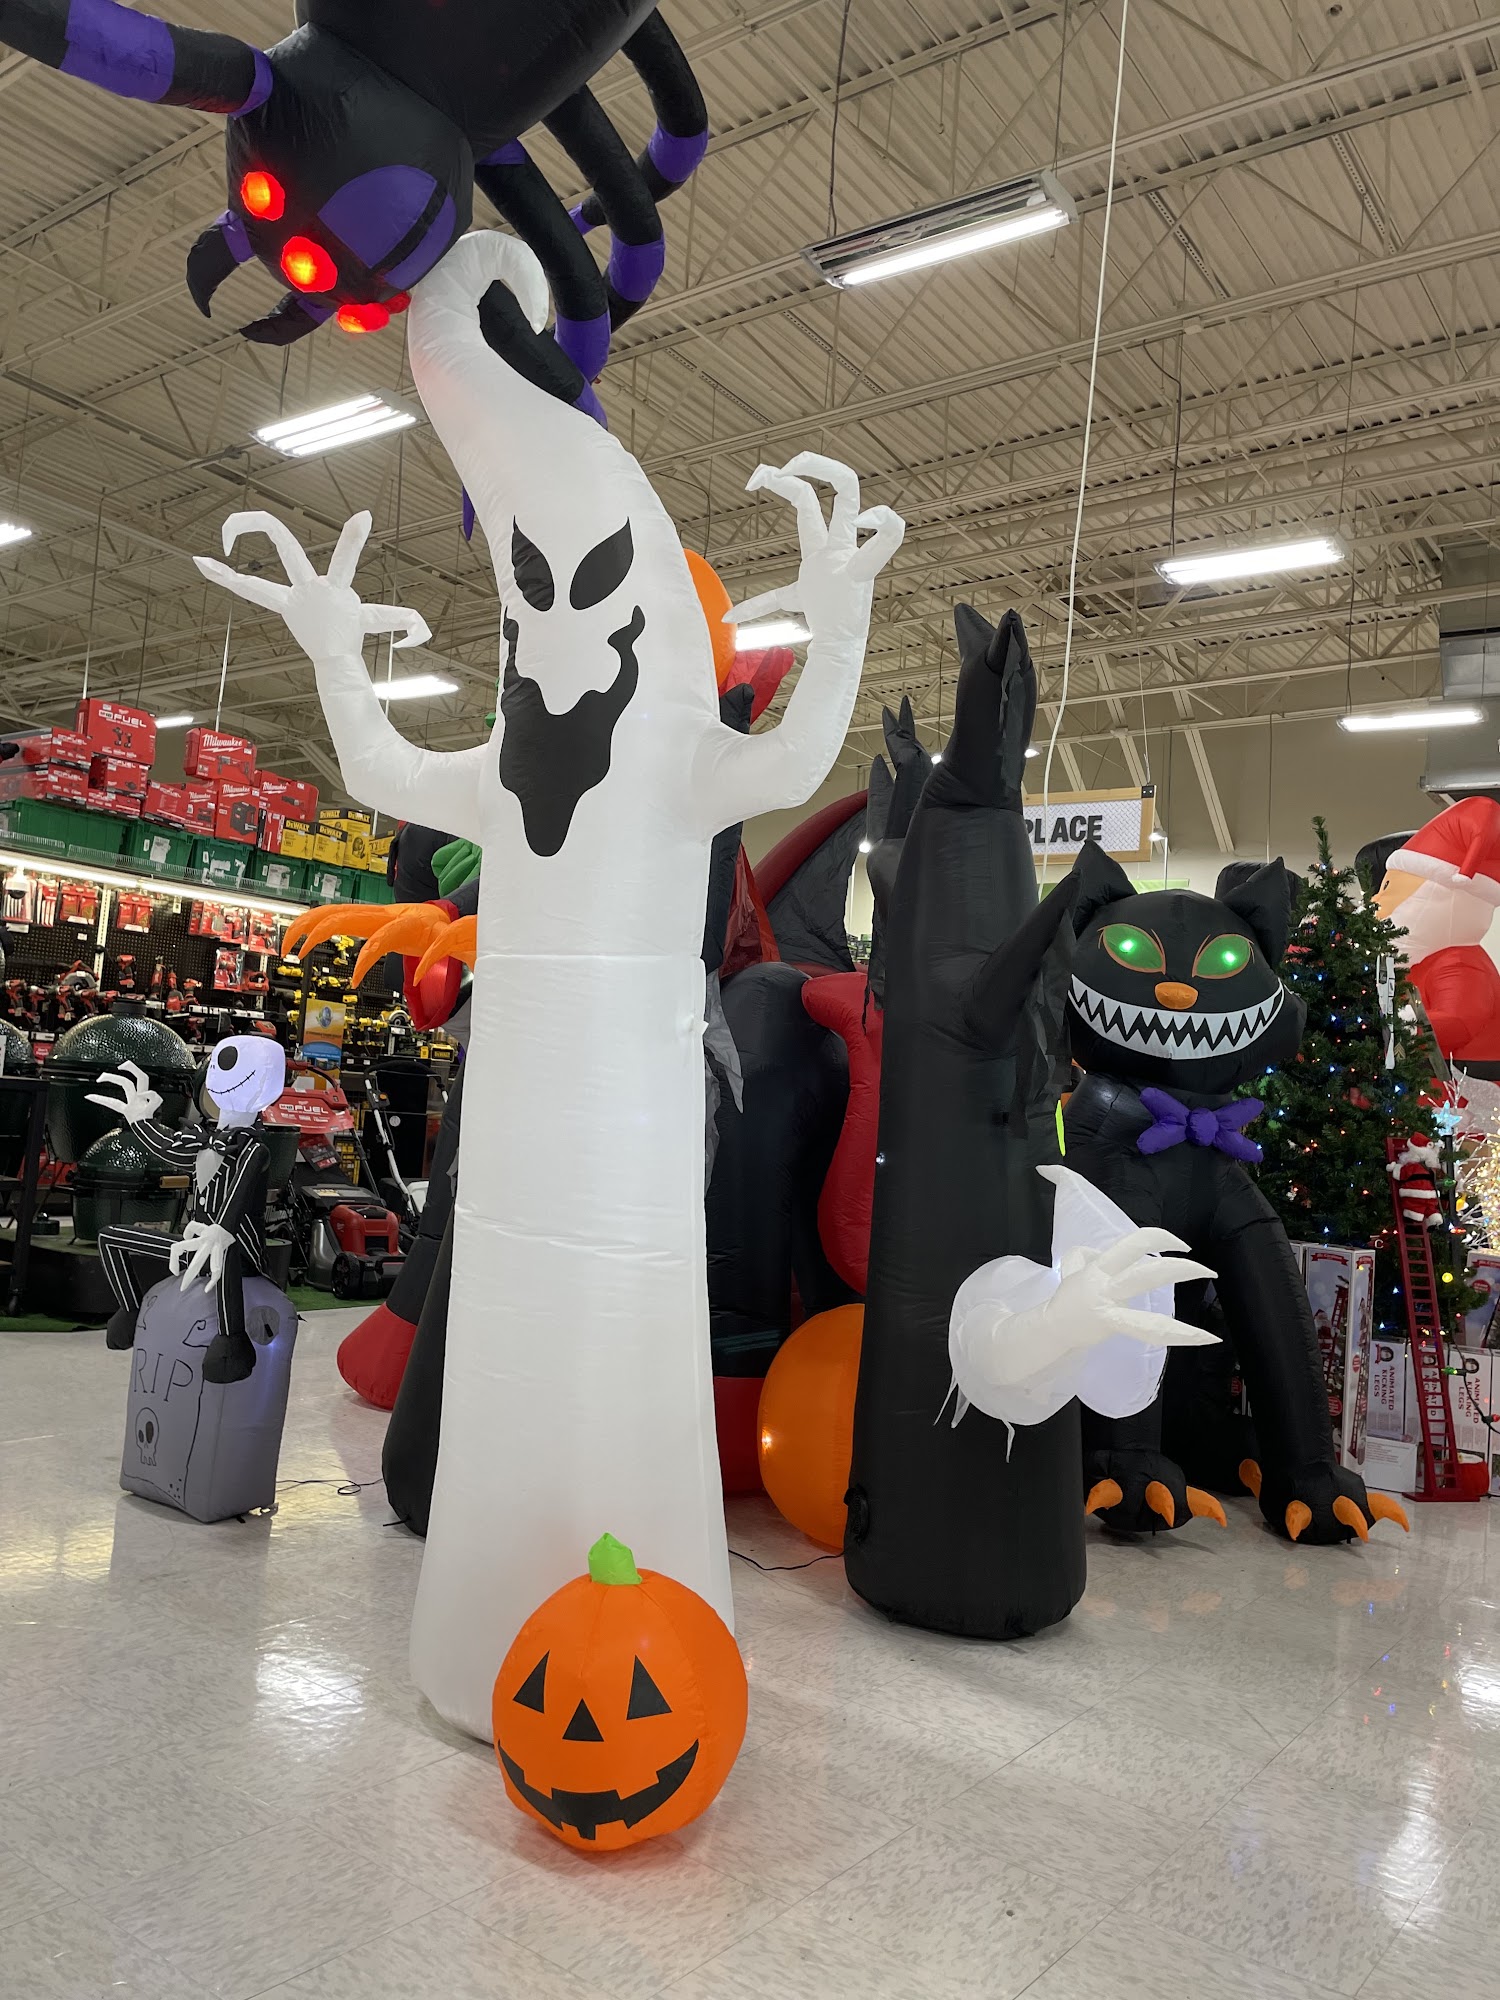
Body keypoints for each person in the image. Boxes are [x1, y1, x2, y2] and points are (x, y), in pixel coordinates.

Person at [90, 1038, 286, 1383]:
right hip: (193, 1247)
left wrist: (220, 1230)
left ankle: (232, 1339)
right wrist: (140, 1120)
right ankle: (130, 1309)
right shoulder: (201, 1143)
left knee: (224, 1249)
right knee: (110, 1237)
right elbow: (168, 1148)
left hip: (237, 1253)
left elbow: (239, 1195)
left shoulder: (253, 1150)